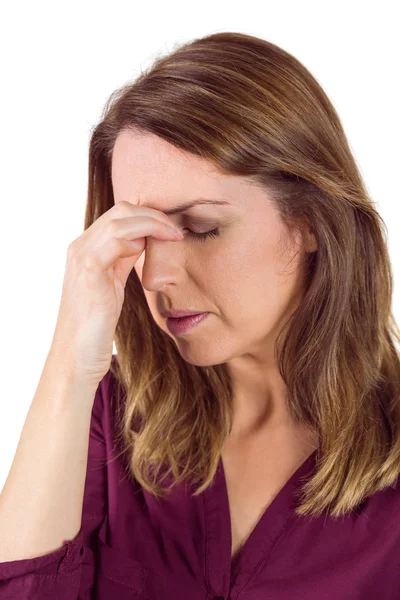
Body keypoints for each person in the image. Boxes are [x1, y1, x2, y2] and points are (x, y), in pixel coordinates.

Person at [1, 31, 399, 599]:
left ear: (311, 219)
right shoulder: (110, 420)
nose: (156, 275)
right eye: (140, 236)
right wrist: (69, 360)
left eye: (202, 227)